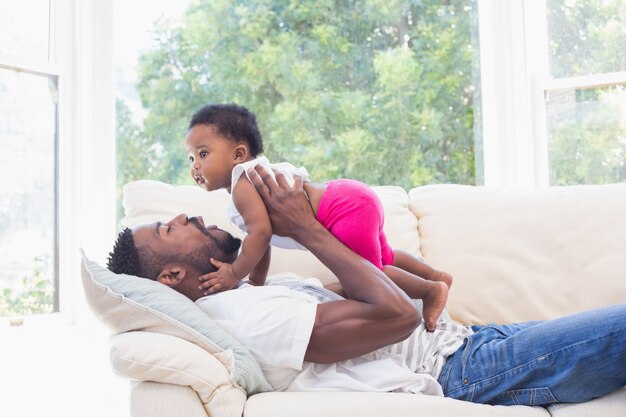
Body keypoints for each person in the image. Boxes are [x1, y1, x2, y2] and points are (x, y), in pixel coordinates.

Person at [107, 165, 626, 406]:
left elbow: (344, 295)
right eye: (168, 229)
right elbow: (398, 316)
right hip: (466, 371)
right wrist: (309, 229)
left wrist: (285, 231)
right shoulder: (244, 318)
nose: (182, 215)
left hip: (472, 341)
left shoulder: (242, 295)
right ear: (173, 276)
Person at [184, 103, 450, 331]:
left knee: (372, 275)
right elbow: (260, 239)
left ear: (238, 154)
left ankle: (430, 289)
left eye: (203, 154)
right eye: (191, 158)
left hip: (342, 210)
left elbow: (260, 234)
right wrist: (255, 281)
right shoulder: (255, 175)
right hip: (351, 195)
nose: (195, 166)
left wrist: (235, 272)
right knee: (386, 256)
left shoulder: (243, 182)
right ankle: (436, 274)